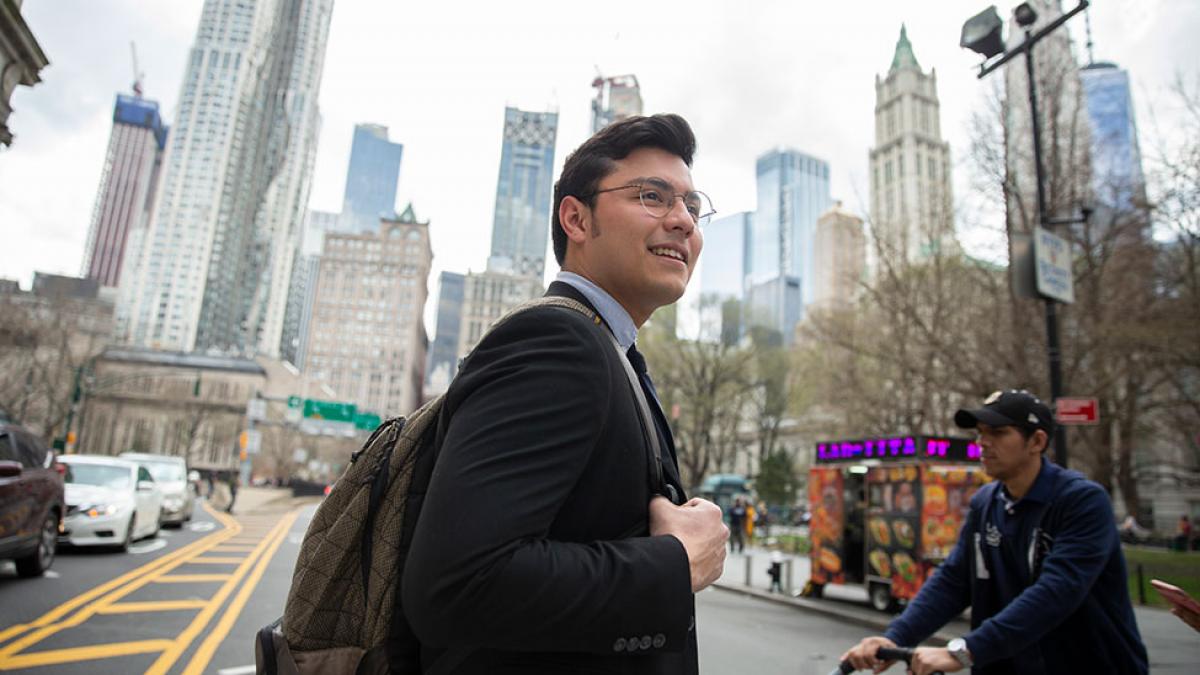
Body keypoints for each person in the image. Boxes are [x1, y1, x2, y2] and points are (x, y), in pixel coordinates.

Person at [402, 114, 728, 674]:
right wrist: (674, 564)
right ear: (576, 218)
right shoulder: (558, 341)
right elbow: (456, 586)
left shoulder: (609, 350)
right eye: (653, 196)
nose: (682, 221)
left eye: (693, 207)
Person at [840, 390, 1148, 675]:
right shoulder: (986, 502)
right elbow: (953, 582)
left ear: (1037, 442)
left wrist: (966, 650)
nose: (983, 442)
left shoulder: (1080, 501)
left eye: (998, 433)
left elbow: (1058, 590)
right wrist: (893, 638)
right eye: (981, 433)